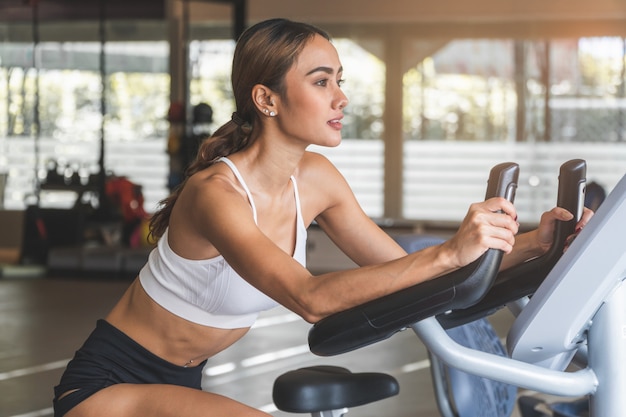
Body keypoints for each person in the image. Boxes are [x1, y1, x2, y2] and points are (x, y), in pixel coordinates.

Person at [52, 18, 592, 417]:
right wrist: (452, 249)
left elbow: (414, 269)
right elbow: (309, 299)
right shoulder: (215, 193)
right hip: (107, 388)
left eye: (339, 79)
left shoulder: (317, 179)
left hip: (184, 381)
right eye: (321, 81)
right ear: (266, 98)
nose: (342, 97)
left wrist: (535, 245)